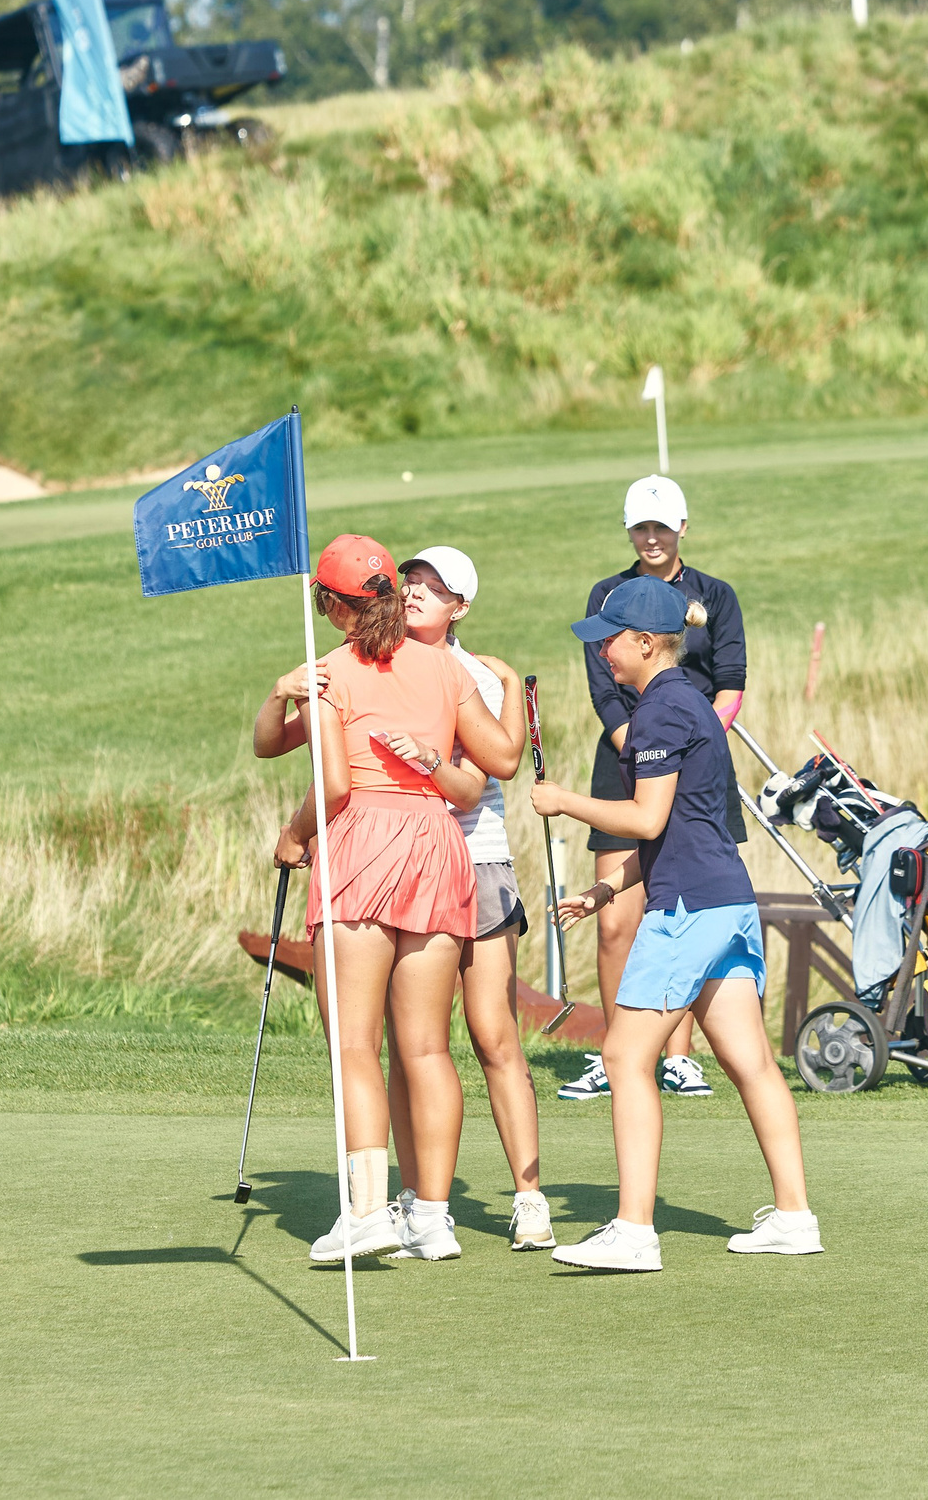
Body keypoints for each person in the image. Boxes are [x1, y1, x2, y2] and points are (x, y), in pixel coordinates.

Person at [530, 575, 819, 1272]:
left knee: (627, 1056)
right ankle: (793, 1215)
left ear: (647, 642)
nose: (602, 654)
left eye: (610, 642)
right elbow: (675, 831)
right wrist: (605, 891)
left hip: (688, 909)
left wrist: (566, 800)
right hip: (726, 902)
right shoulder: (689, 705)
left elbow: (647, 820)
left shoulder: (661, 711)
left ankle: (633, 1229)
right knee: (749, 1061)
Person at [252, 534, 519, 1264]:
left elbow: (333, 783)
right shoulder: (441, 665)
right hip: (438, 843)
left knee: (355, 1045)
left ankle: (369, 1211)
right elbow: (499, 757)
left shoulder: (333, 671)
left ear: (332, 606)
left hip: (363, 843)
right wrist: (281, 697)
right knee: (428, 1046)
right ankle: (431, 1217)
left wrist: (293, 831)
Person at [383, 546, 555, 1252]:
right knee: (409, 1042)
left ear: (460, 606)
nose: (417, 591)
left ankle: (530, 1196)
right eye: (411, 580)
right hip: (403, 862)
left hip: (474, 862)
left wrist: (506, 685)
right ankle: (423, 1199)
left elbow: (495, 764)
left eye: (435, 587)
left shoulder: (478, 674)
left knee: (493, 1034)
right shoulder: (379, 662)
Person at [558, 474, 748, 1105]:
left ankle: (680, 1056)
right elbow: (604, 693)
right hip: (626, 754)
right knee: (618, 922)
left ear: (682, 529)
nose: (652, 537)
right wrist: (640, 753)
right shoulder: (607, 594)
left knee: (685, 901)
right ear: (629, 531)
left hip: (694, 754)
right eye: (641, 526)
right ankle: (620, 1048)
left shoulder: (714, 594)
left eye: (662, 526)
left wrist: (694, 749)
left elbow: (730, 682)